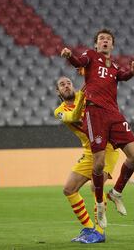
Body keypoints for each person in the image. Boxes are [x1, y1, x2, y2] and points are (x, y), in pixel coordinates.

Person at [61, 29, 134, 235]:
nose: (104, 42)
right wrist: (70, 56)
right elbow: (79, 62)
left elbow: (122, 76)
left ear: (112, 46)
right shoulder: (90, 55)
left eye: (108, 40)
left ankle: (115, 193)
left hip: (114, 113)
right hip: (95, 112)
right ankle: (99, 203)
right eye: (101, 39)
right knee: (98, 164)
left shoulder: (114, 66)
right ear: (96, 45)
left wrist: (133, 71)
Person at [54, 76, 120, 243]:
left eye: (68, 83)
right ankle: (90, 227)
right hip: (90, 151)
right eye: (62, 85)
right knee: (69, 189)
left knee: (95, 185)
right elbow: (73, 118)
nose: (66, 86)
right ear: (58, 92)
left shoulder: (86, 97)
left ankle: (100, 231)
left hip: (107, 147)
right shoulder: (59, 111)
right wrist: (83, 95)